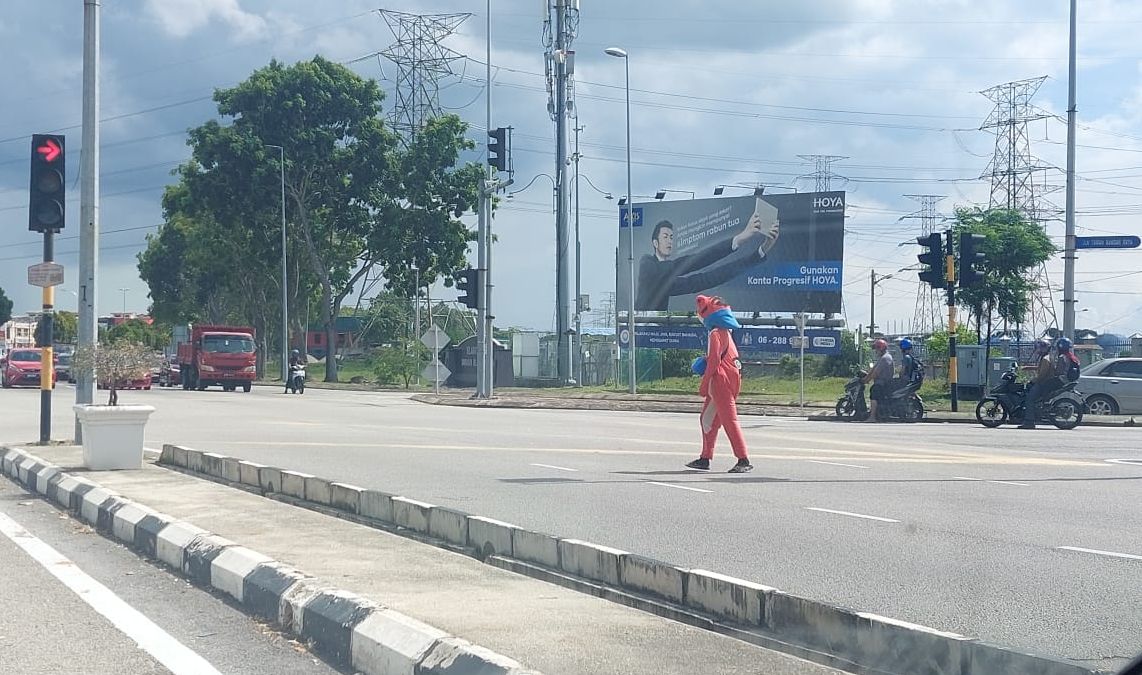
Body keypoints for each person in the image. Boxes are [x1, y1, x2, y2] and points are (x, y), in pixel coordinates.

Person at [635, 210, 779, 311]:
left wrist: (761, 251)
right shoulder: (647, 264)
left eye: (672, 237)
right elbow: (695, 261)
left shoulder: (666, 282)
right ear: (655, 243)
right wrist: (741, 237)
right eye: (665, 236)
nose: (669, 241)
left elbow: (709, 278)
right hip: (638, 331)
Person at [685, 295, 753, 473]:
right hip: (726, 380)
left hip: (720, 382)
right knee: (708, 420)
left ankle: (743, 459)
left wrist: (704, 382)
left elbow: (715, 360)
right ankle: (705, 457)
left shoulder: (715, 333)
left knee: (729, 420)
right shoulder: (726, 334)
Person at [1019, 338, 1056, 429]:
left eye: (1039, 348)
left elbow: (1042, 375)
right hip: (1044, 383)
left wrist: (1032, 381)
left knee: (1029, 399)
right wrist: (1028, 368)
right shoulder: (1046, 358)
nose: (1038, 349)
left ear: (1044, 348)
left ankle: (1029, 421)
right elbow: (1041, 369)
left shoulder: (1045, 359)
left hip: (1043, 384)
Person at [862, 338, 893, 422]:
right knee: (874, 389)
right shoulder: (884, 357)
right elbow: (873, 369)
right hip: (883, 382)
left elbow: (876, 373)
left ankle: (872, 417)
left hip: (883, 383)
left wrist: (867, 379)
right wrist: (866, 378)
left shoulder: (884, 358)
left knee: (874, 392)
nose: (875, 351)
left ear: (881, 349)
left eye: (876, 349)